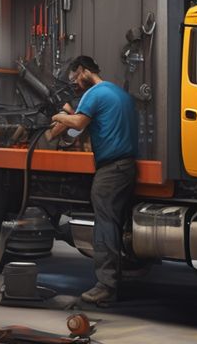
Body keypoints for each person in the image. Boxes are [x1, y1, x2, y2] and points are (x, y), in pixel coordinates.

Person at [51, 55, 138, 306]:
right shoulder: (119, 93)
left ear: (84, 70)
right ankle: (116, 277)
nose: (76, 84)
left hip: (110, 170)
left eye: (75, 78)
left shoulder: (94, 94)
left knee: (105, 225)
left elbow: (77, 123)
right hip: (128, 167)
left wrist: (59, 117)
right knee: (117, 224)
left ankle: (106, 287)